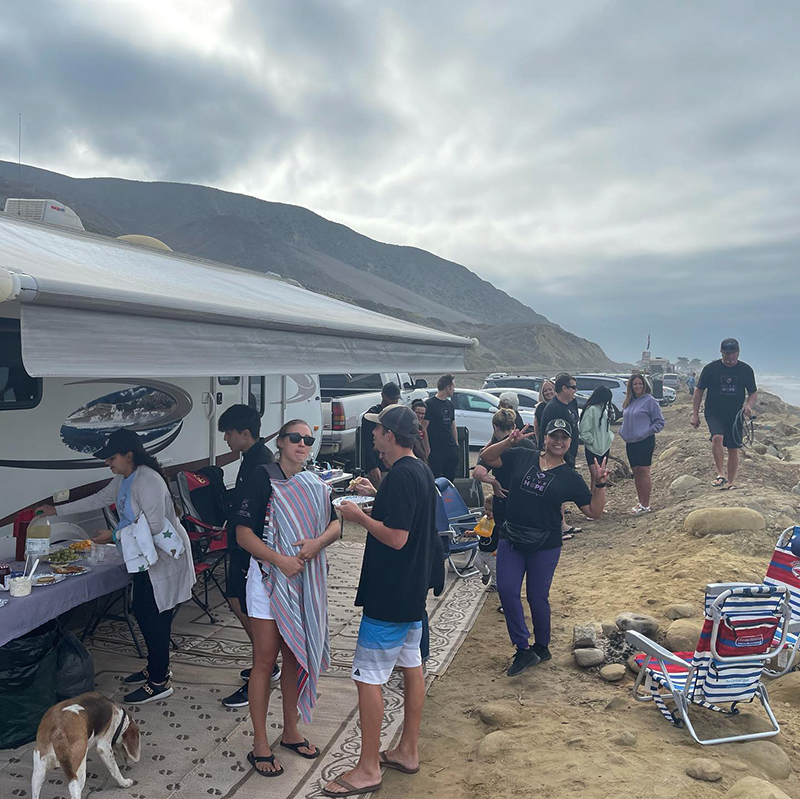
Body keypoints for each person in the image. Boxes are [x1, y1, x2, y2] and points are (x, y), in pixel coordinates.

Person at [323, 405, 444, 796]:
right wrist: (376, 494)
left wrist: (358, 517)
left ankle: (368, 766)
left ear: (390, 435)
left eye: (376, 430)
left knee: (368, 677)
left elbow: (396, 537)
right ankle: (407, 750)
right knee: (412, 667)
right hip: (412, 592)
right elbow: (406, 514)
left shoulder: (403, 475)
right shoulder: (416, 471)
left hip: (391, 593)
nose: (373, 435)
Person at [38, 428, 195, 704]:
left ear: (129, 455)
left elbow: (156, 527)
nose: (107, 463)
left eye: (111, 457)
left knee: (154, 616)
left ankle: (159, 681)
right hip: (143, 558)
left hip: (163, 558)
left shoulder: (148, 481)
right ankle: (155, 666)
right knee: (144, 611)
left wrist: (113, 535)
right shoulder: (125, 478)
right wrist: (57, 510)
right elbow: (99, 499)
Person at [235, 420, 341, 777]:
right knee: (264, 661)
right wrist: (279, 560)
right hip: (269, 579)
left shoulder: (314, 482)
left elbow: (335, 525)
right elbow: (243, 534)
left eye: (308, 440)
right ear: (280, 442)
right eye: (294, 438)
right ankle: (260, 743)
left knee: (295, 655)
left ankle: (291, 730)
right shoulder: (262, 476)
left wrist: (316, 544)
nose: (301, 444)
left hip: (302, 578)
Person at [480, 419, 608, 676]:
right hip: (512, 536)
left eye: (564, 437)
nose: (558, 441)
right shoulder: (522, 455)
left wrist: (600, 483)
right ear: (545, 438)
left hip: (545, 544)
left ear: (570, 442)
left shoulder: (570, 476)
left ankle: (542, 646)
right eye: (554, 435)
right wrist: (509, 441)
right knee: (506, 590)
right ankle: (523, 648)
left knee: (537, 596)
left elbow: (594, 512)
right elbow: (486, 457)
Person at [216, 404, 280, 708]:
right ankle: (266, 663)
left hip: (250, 549)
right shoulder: (251, 458)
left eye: (229, 433)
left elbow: (262, 512)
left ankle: (263, 668)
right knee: (236, 602)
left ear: (245, 433)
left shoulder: (260, 464)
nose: (226, 439)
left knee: (247, 607)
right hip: (240, 546)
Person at [472, 408, 537, 591]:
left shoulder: (501, 447)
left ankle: (510, 587)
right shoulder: (517, 445)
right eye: (507, 428)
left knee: (512, 549)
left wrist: (493, 482)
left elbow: (478, 472)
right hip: (516, 502)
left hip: (512, 502)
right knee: (515, 548)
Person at [691, 338, 758, 490]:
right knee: (717, 438)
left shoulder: (746, 370)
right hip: (714, 412)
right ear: (721, 353)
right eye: (727, 353)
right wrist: (695, 414)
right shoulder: (711, 369)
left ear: (738, 353)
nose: (730, 357)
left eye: (733, 353)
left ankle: (731, 481)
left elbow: (753, 392)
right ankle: (720, 474)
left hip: (735, 415)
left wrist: (749, 405)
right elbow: (698, 391)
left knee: (734, 448)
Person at [620, 374, 665, 514]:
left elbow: (659, 422)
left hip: (645, 441)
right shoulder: (629, 401)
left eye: (640, 383)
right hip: (631, 442)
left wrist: (646, 432)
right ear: (631, 387)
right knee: (636, 472)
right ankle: (640, 502)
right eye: (635, 384)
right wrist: (623, 432)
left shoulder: (650, 401)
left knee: (644, 472)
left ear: (644, 385)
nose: (638, 386)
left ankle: (646, 504)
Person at [361, 382, 401, 487]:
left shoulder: (396, 414)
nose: (394, 402)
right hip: (378, 465)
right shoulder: (372, 415)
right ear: (383, 395)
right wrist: (372, 466)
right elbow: (366, 443)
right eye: (391, 399)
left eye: (396, 399)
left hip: (394, 464)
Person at [423, 373, 459, 482]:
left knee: (449, 480)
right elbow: (424, 428)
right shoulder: (430, 404)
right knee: (435, 479)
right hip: (436, 449)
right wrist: (427, 449)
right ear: (447, 387)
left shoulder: (449, 404)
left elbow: (453, 426)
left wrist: (456, 445)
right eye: (453, 386)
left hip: (450, 448)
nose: (454, 389)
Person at [579, 386, 615, 492]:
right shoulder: (591, 410)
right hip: (593, 449)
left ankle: (599, 504)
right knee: (595, 477)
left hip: (604, 448)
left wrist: (608, 440)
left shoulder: (603, 410)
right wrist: (592, 442)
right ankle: (594, 504)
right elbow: (584, 431)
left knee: (601, 478)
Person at [540, 374, 580, 466]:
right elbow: (550, 437)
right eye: (573, 387)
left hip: (571, 454)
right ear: (564, 388)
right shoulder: (553, 408)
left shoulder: (572, 402)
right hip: (559, 457)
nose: (576, 390)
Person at [533, 379, 556, 446]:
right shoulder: (541, 407)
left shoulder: (560, 406)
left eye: (550, 389)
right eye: (545, 391)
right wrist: (539, 443)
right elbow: (536, 427)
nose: (548, 392)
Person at [411, 398, 430, 463]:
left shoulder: (421, 427)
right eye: (418, 413)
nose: (420, 416)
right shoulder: (408, 426)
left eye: (423, 413)